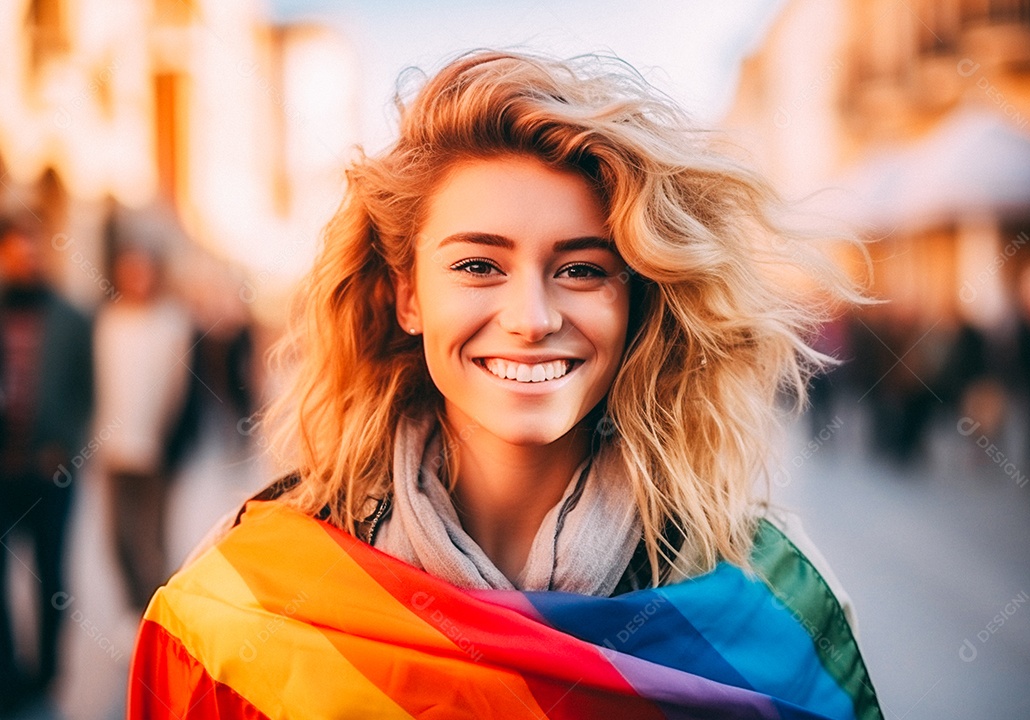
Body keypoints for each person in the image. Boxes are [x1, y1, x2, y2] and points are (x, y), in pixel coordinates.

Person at [128, 51, 883, 719]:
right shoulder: (242, 601)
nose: (530, 317)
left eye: (582, 269)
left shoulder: (774, 600)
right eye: (478, 265)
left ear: (636, 299)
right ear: (409, 295)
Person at [0, 215, 93, 710]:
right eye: (14, 253)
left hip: (49, 470)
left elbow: (87, 393)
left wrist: (67, 444)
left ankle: (48, 671)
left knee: (51, 574)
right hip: (2, 469)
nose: (24, 261)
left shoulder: (71, 318)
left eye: (32, 252)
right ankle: (7, 671)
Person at [92, 244, 193, 614]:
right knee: (117, 539)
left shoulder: (172, 323)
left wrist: (170, 445)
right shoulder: (108, 320)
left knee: (150, 542)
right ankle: (134, 610)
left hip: (157, 452)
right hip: (112, 449)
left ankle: (156, 617)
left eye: (142, 270)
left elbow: (181, 392)